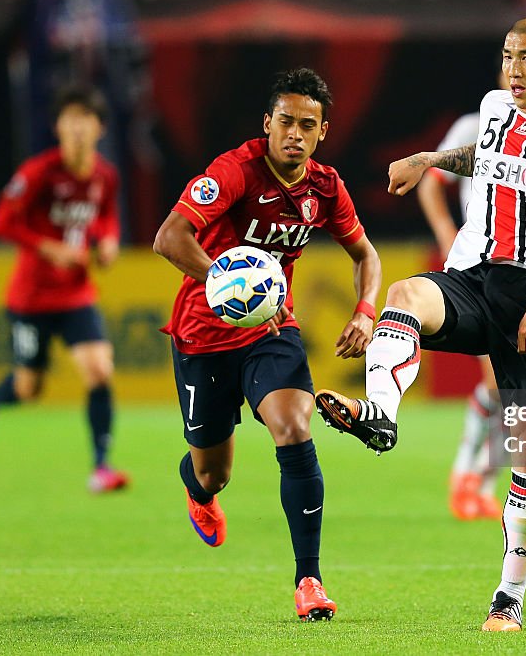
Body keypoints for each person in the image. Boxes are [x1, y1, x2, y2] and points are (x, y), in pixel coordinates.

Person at [316, 17, 526, 631]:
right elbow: (483, 158)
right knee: (404, 296)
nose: (514, 68)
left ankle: (508, 598)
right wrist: (429, 158)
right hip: (474, 277)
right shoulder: (493, 108)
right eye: (508, 55)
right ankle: (380, 415)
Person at [153, 68, 381, 622]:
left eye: (308, 125)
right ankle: (198, 492)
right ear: (267, 124)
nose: (295, 134)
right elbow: (169, 237)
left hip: (272, 332)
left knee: (294, 426)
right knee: (214, 472)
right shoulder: (234, 171)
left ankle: (310, 579)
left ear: (322, 132)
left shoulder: (325, 188)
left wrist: (366, 311)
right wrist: (224, 280)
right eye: (286, 122)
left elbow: (366, 255)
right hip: (203, 336)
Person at [0, 85, 128, 494]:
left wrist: (109, 241)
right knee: (28, 389)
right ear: (58, 126)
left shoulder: (105, 176)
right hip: (32, 298)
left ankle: (101, 466)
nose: (77, 128)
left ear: (100, 128)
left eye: (85, 120)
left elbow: (107, 218)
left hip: (76, 295)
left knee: (99, 371)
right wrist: (49, 248)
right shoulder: (39, 172)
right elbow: (1, 221)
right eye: (69, 120)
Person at [416, 72, 510, 522]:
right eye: (509, 67)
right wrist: (446, 234)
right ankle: (468, 478)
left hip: (524, 268)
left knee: (516, 389)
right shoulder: (477, 125)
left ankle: (480, 483)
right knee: (500, 382)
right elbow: (431, 182)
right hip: (481, 267)